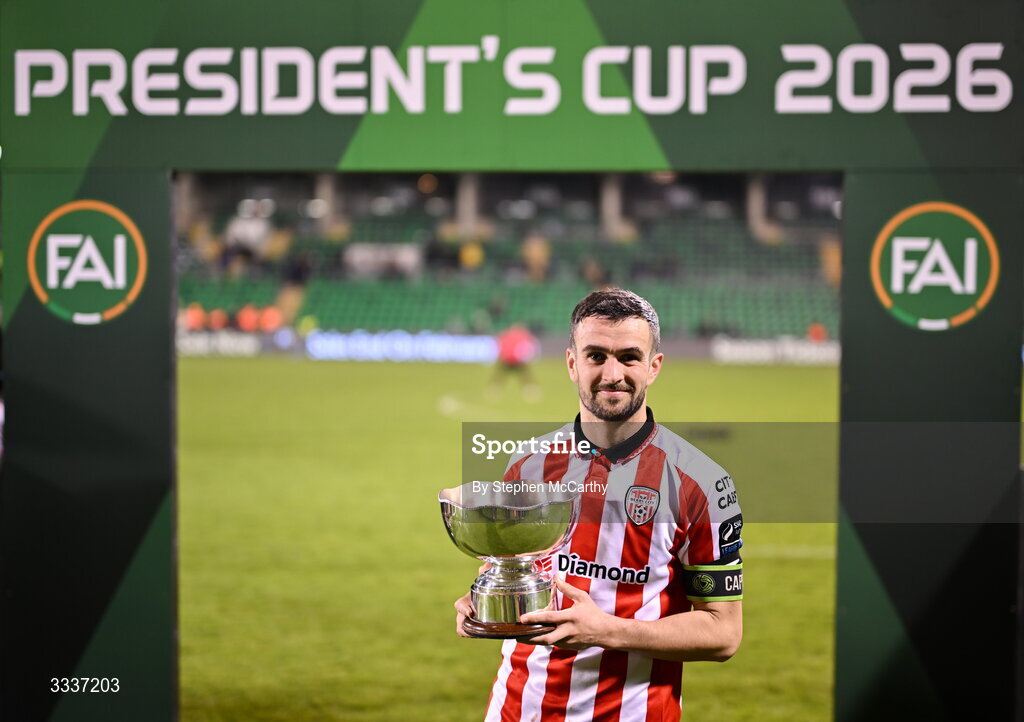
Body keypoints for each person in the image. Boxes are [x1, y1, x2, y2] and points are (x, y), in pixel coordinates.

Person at [454, 288, 743, 721]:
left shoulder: (700, 483)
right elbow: (515, 575)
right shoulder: (527, 466)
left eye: (629, 356)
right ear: (572, 363)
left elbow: (723, 633)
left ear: (654, 366)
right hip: (519, 708)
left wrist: (607, 631)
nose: (612, 373)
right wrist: (485, 604)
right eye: (595, 356)